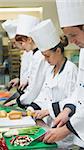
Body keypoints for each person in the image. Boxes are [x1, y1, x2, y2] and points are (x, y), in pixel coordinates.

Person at [28, 19, 78, 149]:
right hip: (49, 128)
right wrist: (32, 108)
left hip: (65, 134)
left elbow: (74, 101)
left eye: (47, 56)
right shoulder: (50, 70)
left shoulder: (71, 70)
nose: (45, 60)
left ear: (58, 51)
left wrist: (48, 110)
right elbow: (44, 95)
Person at [43, 0, 84, 149]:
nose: (72, 42)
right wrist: (67, 110)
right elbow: (80, 92)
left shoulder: (71, 68)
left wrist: (68, 128)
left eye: (74, 35)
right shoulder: (83, 50)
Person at [15, 15, 50, 108]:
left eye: (22, 43)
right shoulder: (35, 54)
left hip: (38, 103)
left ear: (30, 39)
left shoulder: (39, 56)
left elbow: (35, 87)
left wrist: (19, 100)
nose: (21, 46)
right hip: (33, 100)